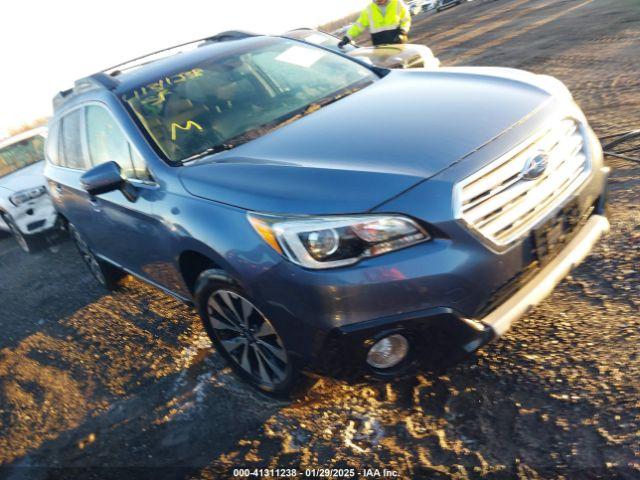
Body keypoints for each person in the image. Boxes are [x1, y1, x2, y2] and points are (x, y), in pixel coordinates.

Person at [339, 0, 411, 47]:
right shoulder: (369, 9)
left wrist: (403, 32)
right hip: (379, 47)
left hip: (398, 43)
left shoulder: (397, 3)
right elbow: (359, 25)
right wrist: (347, 37)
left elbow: (406, 20)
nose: (378, 1)